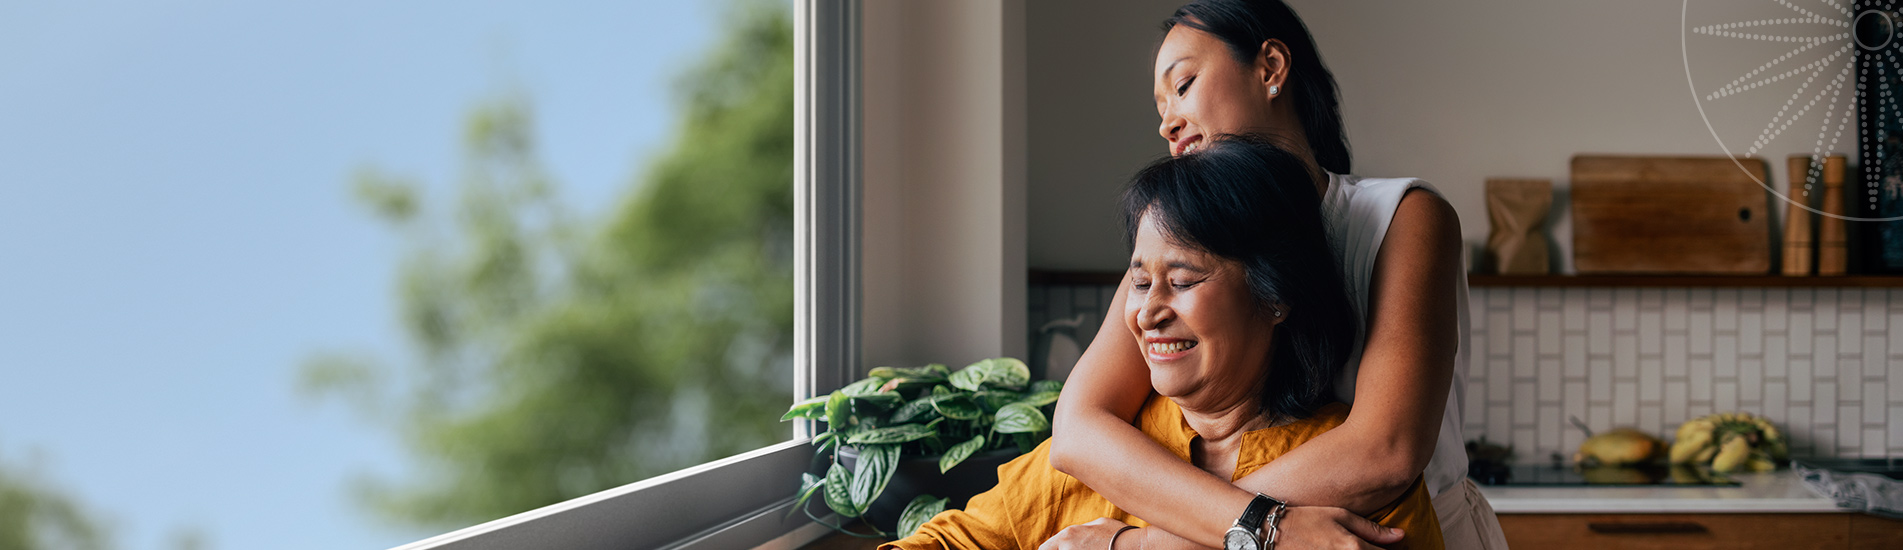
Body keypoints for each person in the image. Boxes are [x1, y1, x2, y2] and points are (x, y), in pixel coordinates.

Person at [1045, 1, 1509, 549]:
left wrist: (1155, 542)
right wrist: (1263, 531)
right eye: (1160, 106)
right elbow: (1077, 434)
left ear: (1270, 68)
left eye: (1184, 84)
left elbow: (1385, 452)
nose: (1167, 121)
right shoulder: (1173, 253)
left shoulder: (1404, 218)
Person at [883, 138, 1442, 550]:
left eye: (1183, 280)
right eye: (1140, 282)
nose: (1148, 312)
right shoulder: (1093, 464)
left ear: (1275, 297)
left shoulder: (1362, 496)